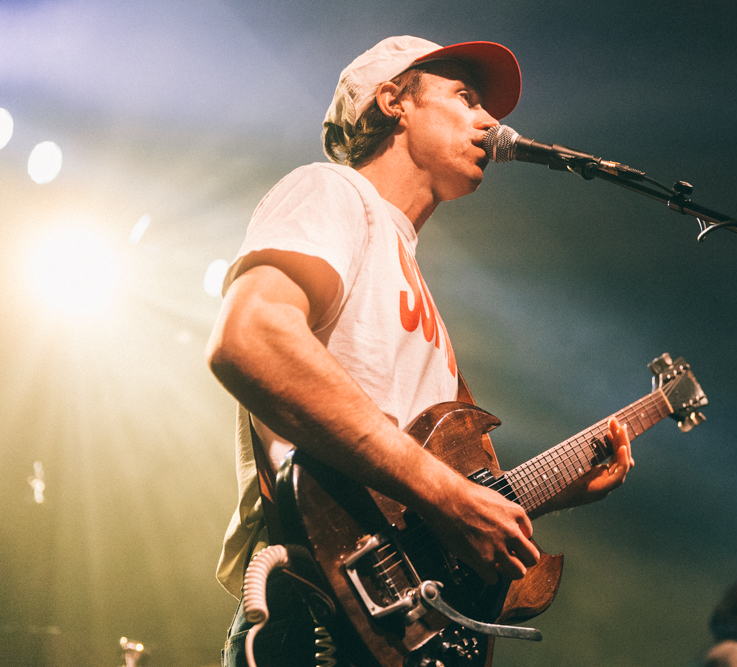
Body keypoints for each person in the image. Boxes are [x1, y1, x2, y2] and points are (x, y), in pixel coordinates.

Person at [206, 35, 635, 667]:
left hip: (397, 626)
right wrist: (446, 494)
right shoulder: (334, 193)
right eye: (465, 97)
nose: (491, 122)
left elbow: (421, 499)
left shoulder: (414, 283)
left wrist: (548, 490)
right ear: (394, 101)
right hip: (322, 612)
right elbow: (250, 339)